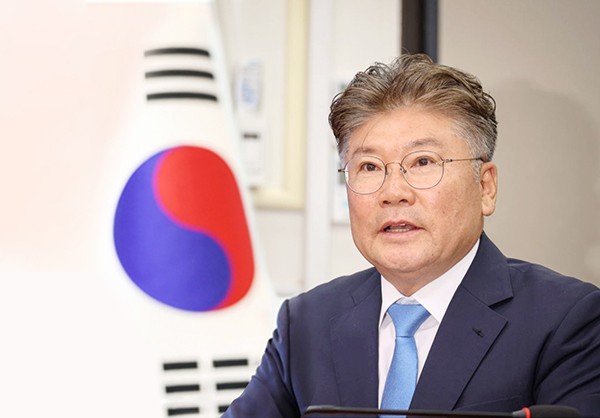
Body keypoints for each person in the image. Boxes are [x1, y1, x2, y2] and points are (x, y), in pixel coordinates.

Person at [223, 54, 600, 417]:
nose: (393, 192)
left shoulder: (567, 321)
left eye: (422, 162)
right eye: (369, 166)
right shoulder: (307, 323)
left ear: (485, 187)